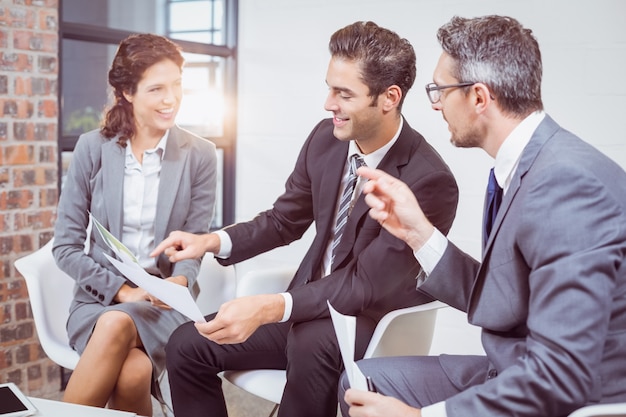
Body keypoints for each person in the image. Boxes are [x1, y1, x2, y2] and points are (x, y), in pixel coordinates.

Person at [151, 21, 459, 417]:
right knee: (187, 344)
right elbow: (284, 220)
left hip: (372, 322)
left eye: (343, 93)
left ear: (388, 98)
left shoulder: (428, 180)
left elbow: (363, 285)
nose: (328, 103)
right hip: (304, 306)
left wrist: (269, 307)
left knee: (311, 342)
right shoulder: (326, 138)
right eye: (329, 87)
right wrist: (211, 241)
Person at [339, 15, 626, 417]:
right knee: (362, 382)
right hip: (512, 367)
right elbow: (507, 297)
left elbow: (563, 374)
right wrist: (419, 233)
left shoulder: (567, 185)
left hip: (566, 394)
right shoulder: (529, 165)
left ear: (478, 97)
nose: (435, 103)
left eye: (439, 90)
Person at [52, 33, 217, 416]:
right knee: (131, 371)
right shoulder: (93, 148)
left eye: (177, 85)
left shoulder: (200, 155)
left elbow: (191, 247)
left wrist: (180, 280)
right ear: (127, 91)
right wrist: (124, 293)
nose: (171, 99)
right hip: (99, 301)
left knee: (121, 338)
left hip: (163, 305)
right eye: (157, 88)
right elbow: (66, 247)